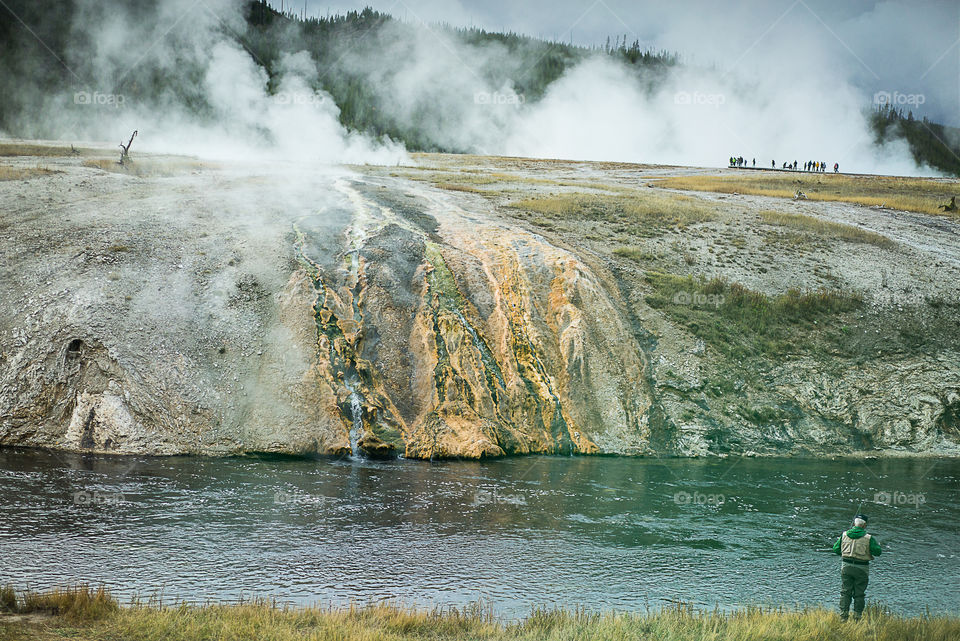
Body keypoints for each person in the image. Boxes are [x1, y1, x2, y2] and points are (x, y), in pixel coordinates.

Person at [833, 514, 881, 621]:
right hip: (862, 569)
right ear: (864, 525)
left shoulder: (844, 535)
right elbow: (878, 552)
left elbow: (836, 549)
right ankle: (857, 617)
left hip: (846, 567)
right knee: (859, 594)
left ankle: (843, 616)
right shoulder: (869, 538)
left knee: (845, 592)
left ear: (854, 523)